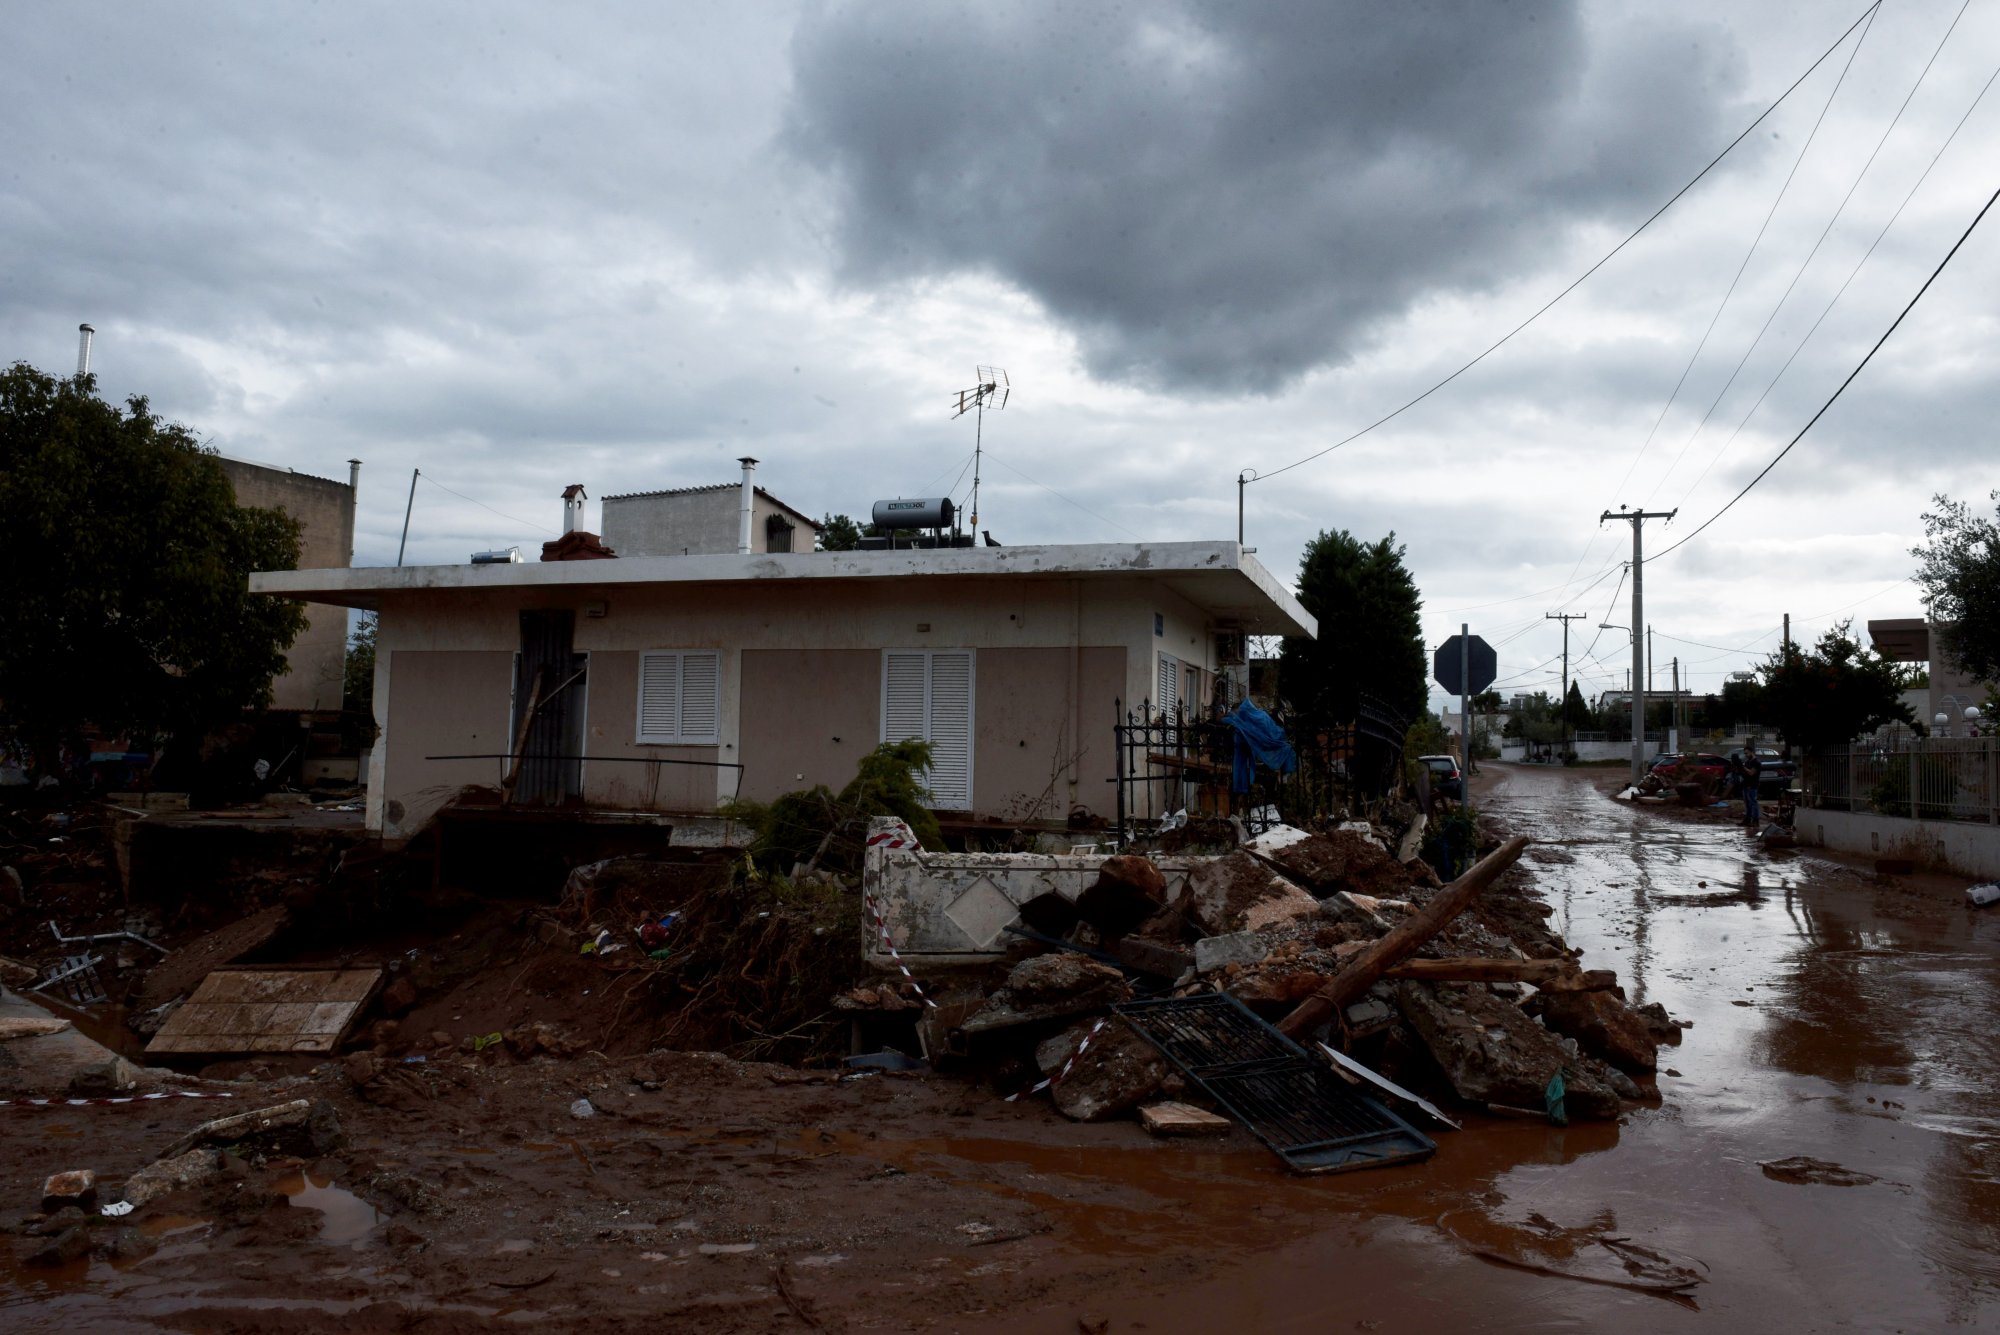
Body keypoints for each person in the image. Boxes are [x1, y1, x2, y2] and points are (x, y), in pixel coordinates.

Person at [1741, 750, 1763, 828]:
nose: (1746, 755)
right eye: (1745, 753)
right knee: (1747, 804)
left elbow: (1751, 773)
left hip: (1752, 785)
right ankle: (1748, 819)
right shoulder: (1747, 762)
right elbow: (1745, 773)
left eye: (1747, 753)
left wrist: (1743, 767)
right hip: (1746, 784)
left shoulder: (1756, 762)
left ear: (1752, 752)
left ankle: (1755, 820)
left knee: (1753, 803)